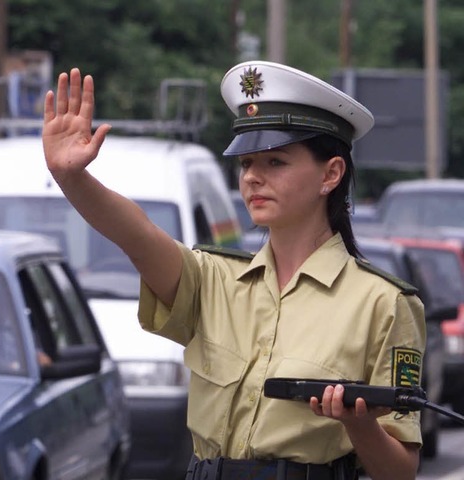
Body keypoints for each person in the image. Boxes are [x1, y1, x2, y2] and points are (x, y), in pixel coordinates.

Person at [42, 62, 426, 480]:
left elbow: (401, 471)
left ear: (330, 174)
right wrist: (73, 179)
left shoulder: (383, 303)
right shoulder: (213, 279)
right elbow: (136, 235)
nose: (253, 178)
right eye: (246, 164)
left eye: (275, 162)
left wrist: (359, 424)